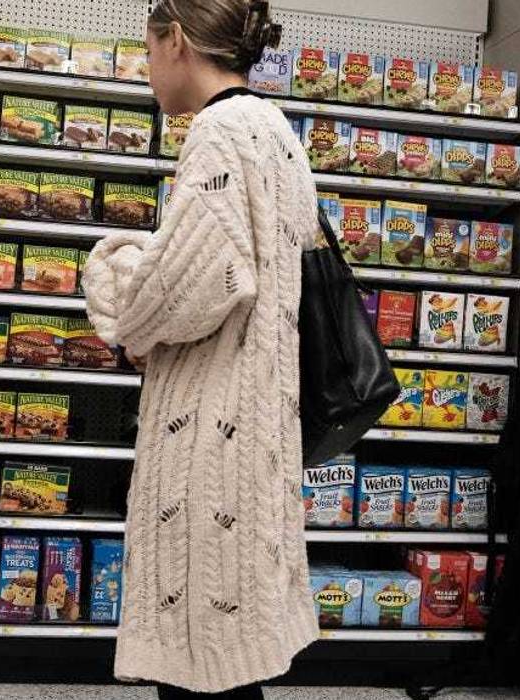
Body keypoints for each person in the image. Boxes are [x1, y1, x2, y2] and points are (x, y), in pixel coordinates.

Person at [82, 1, 319, 697]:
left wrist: (128, 304)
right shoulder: (274, 128)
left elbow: (205, 277)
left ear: (176, 40)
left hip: (211, 416)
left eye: (148, 47)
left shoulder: (216, 132)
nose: (147, 66)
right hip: (259, 405)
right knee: (232, 629)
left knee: (198, 630)